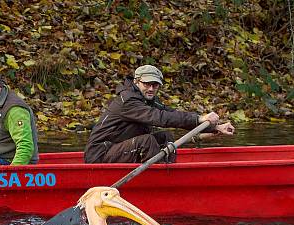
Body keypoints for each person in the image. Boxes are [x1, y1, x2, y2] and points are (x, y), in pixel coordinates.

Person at [83, 64, 235, 164]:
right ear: (136, 82)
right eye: (146, 84)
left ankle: (168, 172)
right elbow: (160, 118)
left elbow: (172, 114)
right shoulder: (128, 101)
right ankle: (159, 179)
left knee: (165, 137)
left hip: (117, 149)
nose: (151, 88)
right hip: (99, 156)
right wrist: (200, 118)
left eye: (155, 85)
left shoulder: (147, 100)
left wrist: (215, 127)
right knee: (147, 141)